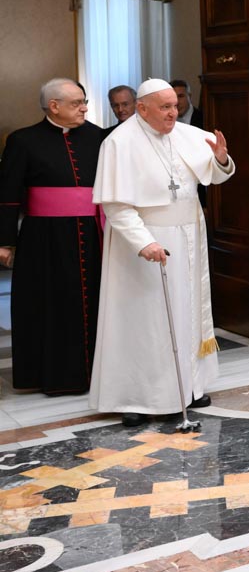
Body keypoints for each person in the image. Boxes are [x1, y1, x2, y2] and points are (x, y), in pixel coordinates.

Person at [90, 79, 236, 427]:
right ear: (142, 109)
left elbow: (215, 177)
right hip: (147, 242)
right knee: (148, 321)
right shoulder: (118, 143)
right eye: (165, 107)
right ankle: (141, 398)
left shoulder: (186, 134)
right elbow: (117, 205)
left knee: (188, 313)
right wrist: (144, 242)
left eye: (175, 106)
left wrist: (220, 159)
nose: (174, 112)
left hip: (189, 238)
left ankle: (190, 386)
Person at [0, 78, 104, 395]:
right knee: (48, 304)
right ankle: (50, 375)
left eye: (84, 101)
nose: (85, 108)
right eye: (77, 103)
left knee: (94, 301)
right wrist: (5, 242)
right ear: (54, 106)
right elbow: (7, 195)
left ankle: (97, 373)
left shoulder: (98, 137)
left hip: (92, 232)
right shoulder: (23, 140)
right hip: (43, 238)